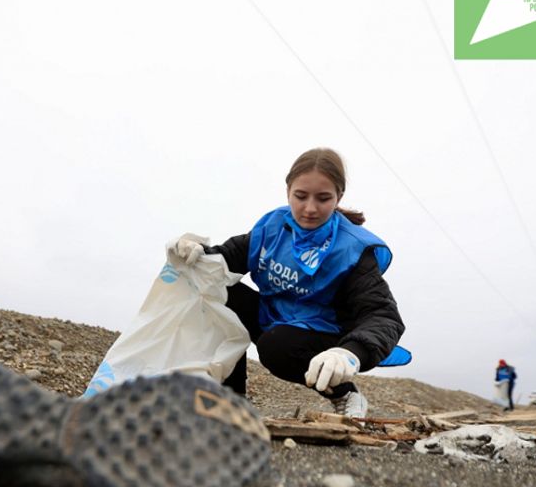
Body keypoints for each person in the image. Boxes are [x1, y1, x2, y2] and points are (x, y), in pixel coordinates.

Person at [167, 148, 405, 418]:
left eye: (323, 198)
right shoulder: (273, 226)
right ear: (288, 191)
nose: (310, 208)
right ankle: (230, 402)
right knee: (216, 293)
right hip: (275, 316)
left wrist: (350, 354)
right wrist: (196, 252)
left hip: (324, 334)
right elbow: (229, 257)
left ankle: (345, 393)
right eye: (300, 196)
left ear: (339, 197)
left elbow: (384, 316)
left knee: (277, 347)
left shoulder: (351, 250)